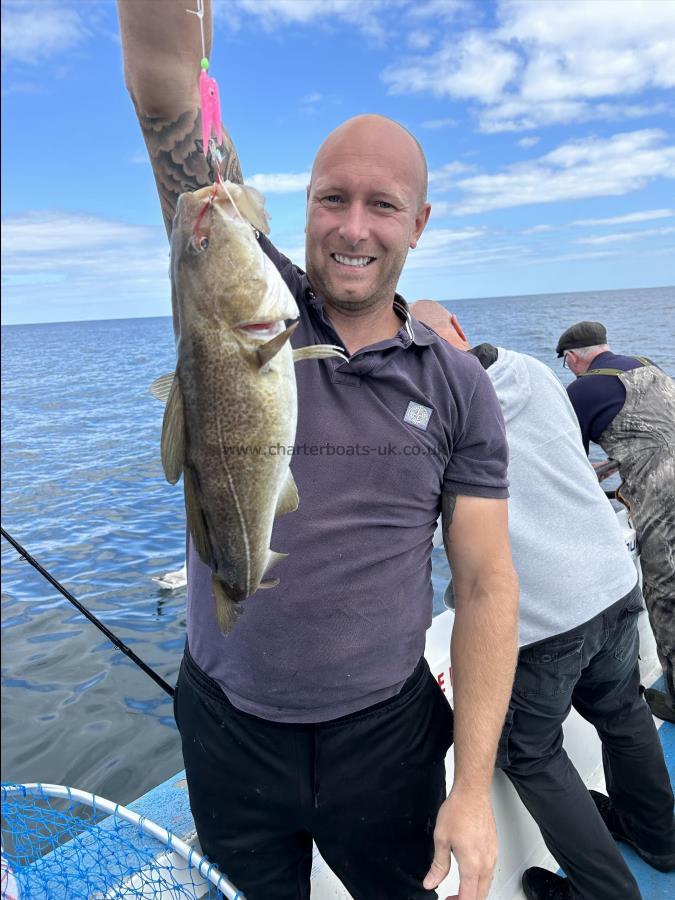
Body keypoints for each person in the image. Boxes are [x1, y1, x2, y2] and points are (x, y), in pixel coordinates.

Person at [117, 3, 519, 899]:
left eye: (383, 205)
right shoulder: (247, 283)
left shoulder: (458, 386)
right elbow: (164, 89)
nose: (352, 227)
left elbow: (488, 585)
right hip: (226, 730)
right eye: (332, 197)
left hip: (387, 735)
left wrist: (469, 789)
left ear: (419, 222)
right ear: (302, 207)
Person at [411, 301, 675, 900]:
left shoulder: (425, 414)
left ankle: (605, 892)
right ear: (460, 329)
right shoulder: (529, 369)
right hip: (611, 580)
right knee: (623, 712)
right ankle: (659, 836)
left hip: (541, 617)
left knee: (528, 752)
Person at [556, 321, 675, 724]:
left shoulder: (582, 389)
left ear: (571, 358)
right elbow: (648, 435)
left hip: (664, 497)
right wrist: (609, 468)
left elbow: (566, 462)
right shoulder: (646, 366)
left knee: (665, 593)